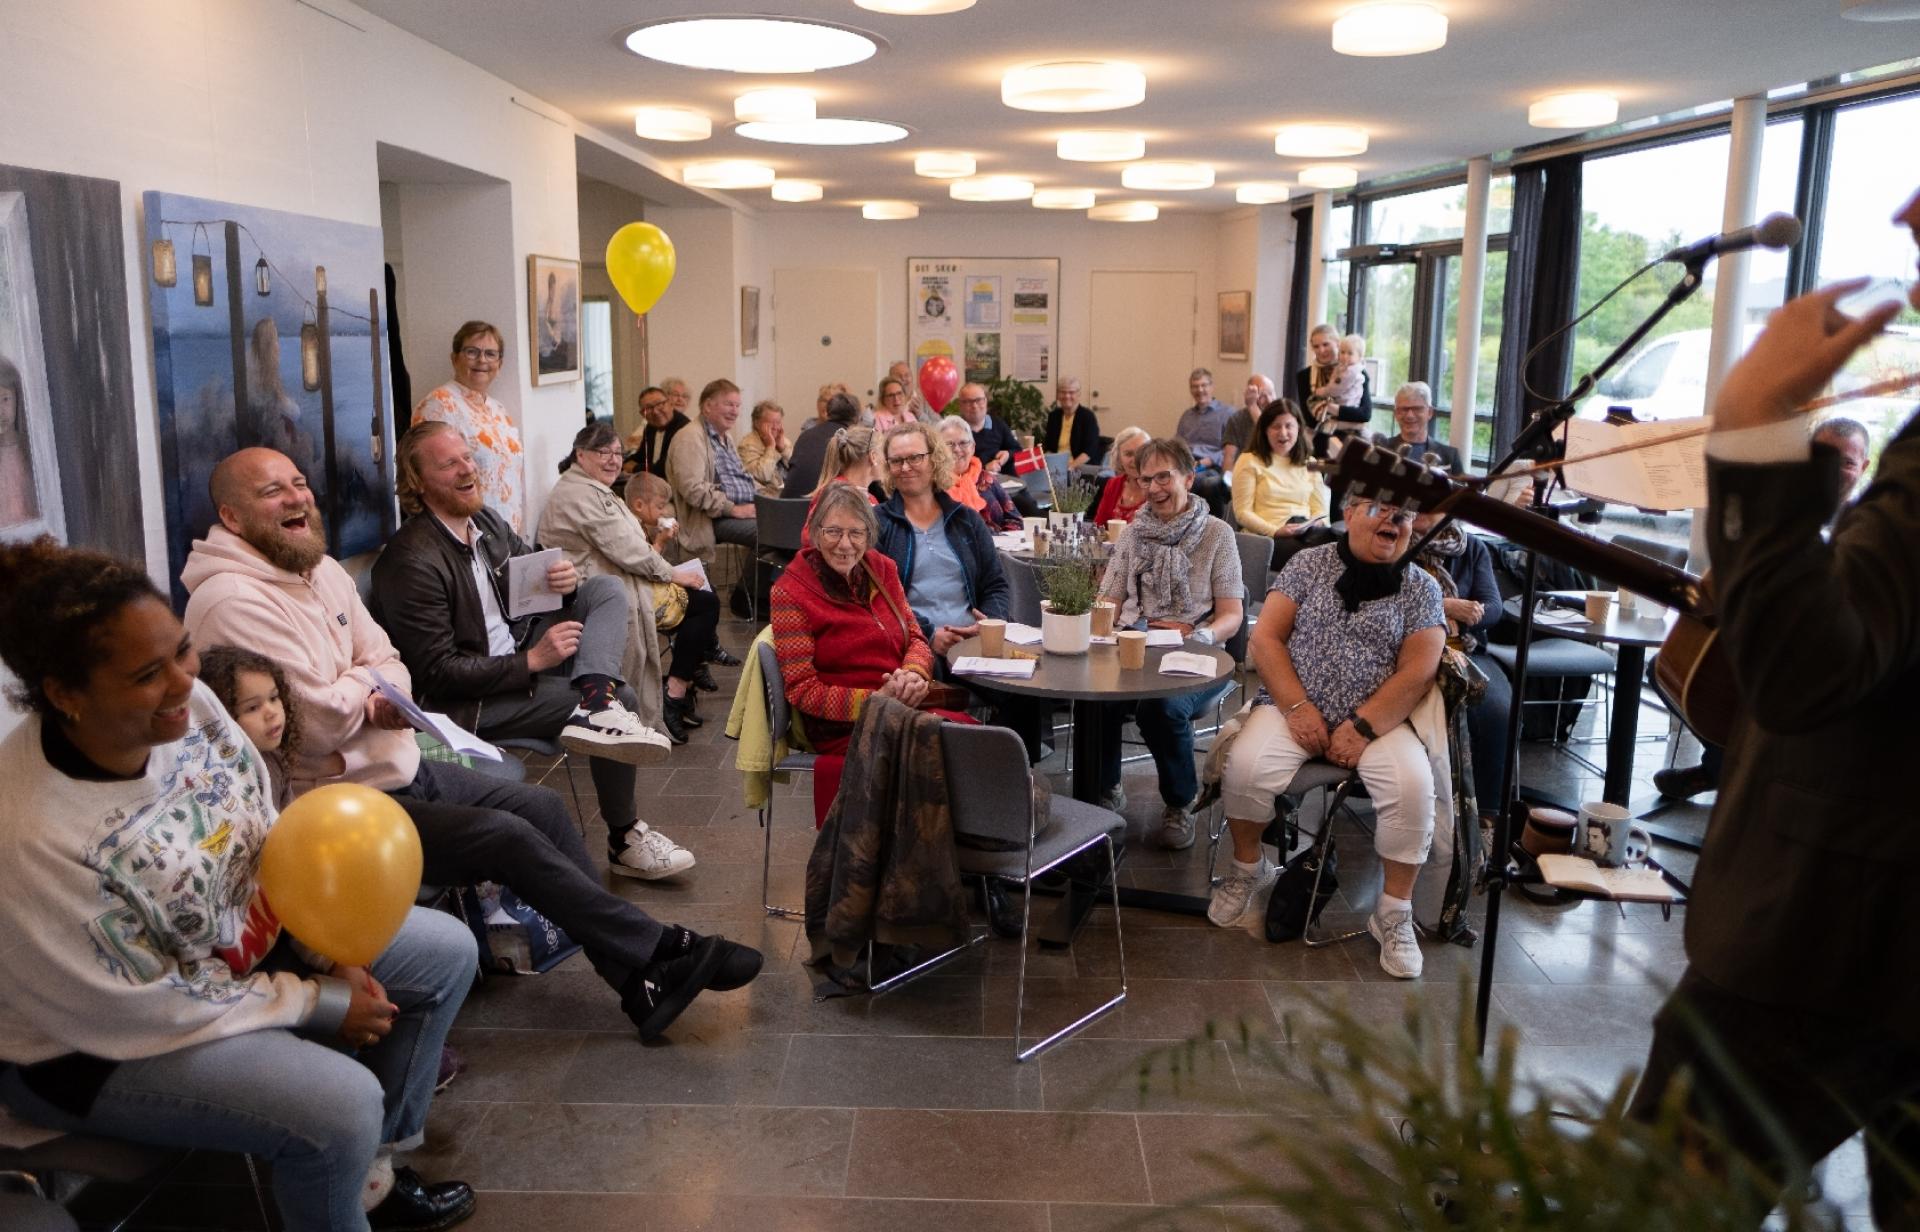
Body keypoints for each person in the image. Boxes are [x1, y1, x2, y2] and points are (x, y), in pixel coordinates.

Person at [182, 448, 760, 1041]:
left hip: (391, 760)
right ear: (232, 517)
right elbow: (323, 720)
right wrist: (370, 683)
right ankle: (661, 947)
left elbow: (388, 661)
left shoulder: (324, 571)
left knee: (542, 806)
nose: (296, 497)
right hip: (329, 803)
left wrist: (364, 681)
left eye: (299, 483)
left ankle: (639, 979)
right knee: (506, 837)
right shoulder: (231, 600)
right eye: (272, 491)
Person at [0, 536, 478, 1232]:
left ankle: (367, 1177)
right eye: (145, 674)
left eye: (182, 651)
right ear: (65, 694)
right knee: (338, 1104)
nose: (180, 684)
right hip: (98, 1046)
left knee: (446, 953)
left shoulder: (190, 706)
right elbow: (145, 1004)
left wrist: (337, 945)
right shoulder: (32, 835)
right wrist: (315, 1001)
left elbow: (261, 834)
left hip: (227, 961)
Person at [1626, 188, 1920, 1229]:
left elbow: (1803, 673)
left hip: (1844, 923)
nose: (1912, 206)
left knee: (1662, 1202)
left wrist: (1751, 425)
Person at [369, 425, 688, 862]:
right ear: (418, 482)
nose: (468, 470)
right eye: (450, 464)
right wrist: (533, 661)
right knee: (626, 696)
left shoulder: (484, 522)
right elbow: (436, 674)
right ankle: (625, 837)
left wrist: (565, 584)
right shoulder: (411, 560)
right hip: (473, 699)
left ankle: (596, 701)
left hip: (518, 654)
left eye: (468, 457)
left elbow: (531, 572)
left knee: (606, 589)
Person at [1214, 492, 1444, 977]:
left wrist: (1362, 727)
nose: (1393, 520)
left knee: (1413, 787)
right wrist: (1297, 709)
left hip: (1380, 720)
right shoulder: (1307, 564)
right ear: (1349, 513)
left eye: (1402, 514)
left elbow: (1420, 671)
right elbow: (1267, 637)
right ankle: (1247, 871)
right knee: (1246, 767)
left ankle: (1393, 912)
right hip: (1294, 704)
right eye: (1380, 508)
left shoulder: (1421, 586)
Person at [769, 483, 970, 827]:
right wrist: (877, 700)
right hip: (847, 727)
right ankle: (926, 865)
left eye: (856, 533)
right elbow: (802, 691)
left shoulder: (883, 569)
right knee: (940, 752)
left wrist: (914, 674)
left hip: (906, 705)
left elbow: (917, 638)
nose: (845, 544)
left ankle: (978, 857)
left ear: (869, 534)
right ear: (815, 533)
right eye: (833, 531)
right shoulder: (791, 592)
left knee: (976, 744)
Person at [1094, 437, 1244, 847]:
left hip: (1198, 651)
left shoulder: (1217, 534)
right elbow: (1108, 598)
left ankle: (1180, 802)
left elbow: (1232, 615)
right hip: (1137, 644)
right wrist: (1108, 624)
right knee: (1096, 696)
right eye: (1146, 480)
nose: (1155, 488)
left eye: (1165, 477)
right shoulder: (1132, 535)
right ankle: (1105, 788)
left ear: (1189, 478)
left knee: (1160, 707)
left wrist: (1197, 635)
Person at [541, 423, 720, 746]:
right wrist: (671, 573)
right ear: (580, 454)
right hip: (595, 593)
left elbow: (628, 545)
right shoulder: (580, 492)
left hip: (619, 579)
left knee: (704, 599)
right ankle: (674, 693)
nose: (613, 460)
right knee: (703, 602)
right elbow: (625, 548)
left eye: (617, 453)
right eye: (603, 453)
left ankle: (682, 685)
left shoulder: (592, 487)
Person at [874, 421, 1012, 656]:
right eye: (896, 461)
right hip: (913, 646)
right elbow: (877, 599)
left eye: (915, 457)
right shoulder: (877, 524)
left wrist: (988, 623)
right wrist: (928, 634)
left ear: (935, 459)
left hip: (975, 641)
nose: (905, 467)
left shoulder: (966, 519)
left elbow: (996, 584)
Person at [1408, 510, 1510, 816]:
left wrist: (1464, 621)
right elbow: (1387, 598)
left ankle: (1486, 817)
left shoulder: (1472, 547)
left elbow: (1493, 606)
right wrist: (1443, 608)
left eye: (1434, 504)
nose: (1422, 510)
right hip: (1409, 649)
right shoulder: (1395, 543)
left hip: (1465, 649)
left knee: (1497, 710)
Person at [412, 320, 526, 533]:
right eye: (472, 352)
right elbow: (427, 477)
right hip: (468, 533)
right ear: (455, 358)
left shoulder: (499, 410)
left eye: (491, 354)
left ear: (499, 364)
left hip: (505, 534)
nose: (482, 360)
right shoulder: (439, 404)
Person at [627, 472, 740, 671]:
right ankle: (694, 665)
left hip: (651, 583)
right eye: (660, 507)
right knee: (706, 600)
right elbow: (644, 563)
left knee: (707, 587)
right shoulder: (631, 527)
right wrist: (661, 542)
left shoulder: (642, 525)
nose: (663, 513)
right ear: (639, 506)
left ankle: (702, 655)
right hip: (644, 595)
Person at [666, 378, 759, 573]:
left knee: (786, 528)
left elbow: (740, 478)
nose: (735, 411)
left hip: (740, 510)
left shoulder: (726, 437)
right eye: (728, 404)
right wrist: (734, 509)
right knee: (769, 535)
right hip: (710, 518)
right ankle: (746, 597)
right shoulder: (689, 437)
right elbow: (693, 490)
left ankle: (756, 595)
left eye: (737, 405)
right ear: (708, 406)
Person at [1230, 398, 1332, 568]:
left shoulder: (1311, 463)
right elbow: (1242, 513)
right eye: (1276, 426)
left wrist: (1313, 525)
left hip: (1305, 532)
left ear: (1299, 428)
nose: (1283, 433)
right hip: (1267, 539)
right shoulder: (1249, 460)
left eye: (1289, 426)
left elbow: (1321, 511)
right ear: (1265, 430)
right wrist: (1275, 530)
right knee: (1311, 555)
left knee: (1338, 541)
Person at [198, 643, 302, 809]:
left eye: (274, 697)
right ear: (223, 717)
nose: (271, 712)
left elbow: (292, 818)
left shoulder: (274, 759)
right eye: (253, 707)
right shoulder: (219, 782)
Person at [800, 425, 881, 547]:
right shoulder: (834, 495)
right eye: (885, 453)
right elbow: (810, 539)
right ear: (873, 456)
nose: (888, 460)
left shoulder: (871, 499)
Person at [940, 416, 1023, 532]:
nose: (957, 450)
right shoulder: (934, 485)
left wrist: (1002, 542)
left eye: (963, 443)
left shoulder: (986, 478)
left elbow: (1015, 520)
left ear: (973, 447)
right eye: (949, 444)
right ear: (939, 450)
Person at [1176, 367, 1236, 519]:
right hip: (1188, 463)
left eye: (1204, 385)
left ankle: (1200, 525)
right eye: (1195, 386)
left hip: (1212, 466)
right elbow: (1178, 444)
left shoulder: (1227, 414)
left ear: (1211, 387)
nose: (1200, 390)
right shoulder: (1187, 416)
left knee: (1195, 483)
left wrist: (1209, 460)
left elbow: (1232, 448)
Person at [784, 390, 862, 499]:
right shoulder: (851, 440)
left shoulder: (806, 435)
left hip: (785, 507)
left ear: (828, 412)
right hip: (819, 510)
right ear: (857, 417)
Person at [1377, 381, 1464, 475]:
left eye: (1417, 409)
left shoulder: (1449, 456)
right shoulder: (1382, 450)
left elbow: (1459, 489)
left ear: (1430, 412)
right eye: (1404, 409)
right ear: (1396, 414)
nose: (1410, 415)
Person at [626, 385, 688, 481]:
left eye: (659, 404)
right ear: (643, 414)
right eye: (648, 408)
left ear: (671, 404)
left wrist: (634, 467)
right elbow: (641, 456)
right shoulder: (650, 427)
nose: (655, 412)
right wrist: (626, 462)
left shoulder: (684, 429)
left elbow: (664, 469)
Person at [1093, 426, 1151, 526]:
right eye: (1129, 454)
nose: (1135, 460)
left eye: (1141, 453)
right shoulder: (1113, 484)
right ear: (1119, 458)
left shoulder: (1158, 488)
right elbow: (1098, 525)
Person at [1042, 377, 1103, 469]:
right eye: (1063, 392)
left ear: (1078, 394)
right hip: (1056, 467)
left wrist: (1070, 467)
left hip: (1079, 467)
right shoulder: (1054, 416)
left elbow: (1089, 451)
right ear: (1058, 395)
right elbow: (1048, 446)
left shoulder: (1087, 417)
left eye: (1071, 392)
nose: (1067, 396)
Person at [736, 399, 792, 497]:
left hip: (789, 493)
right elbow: (762, 475)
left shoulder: (784, 441)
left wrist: (783, 450)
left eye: (778, 422)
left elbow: (798, 469)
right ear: (757, 423)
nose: (775, 427)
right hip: (768, 499)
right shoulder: (747, 445)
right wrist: (770, 447)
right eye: (770, 422)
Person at [1222, 375, 1273, 471]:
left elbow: (1269, 437)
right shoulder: (1237, 419)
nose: (1269, 400)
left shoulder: (1281, 416)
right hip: (1244, 471)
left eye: (1271, 393)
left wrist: (1253, 406)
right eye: (1262, 396)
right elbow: (1229, 459)